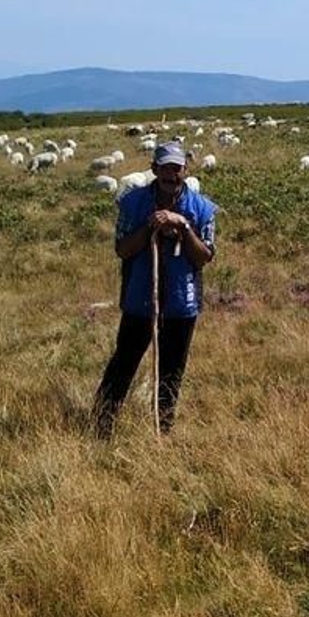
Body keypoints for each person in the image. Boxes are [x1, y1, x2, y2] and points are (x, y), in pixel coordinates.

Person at [91, 142, 216, 437]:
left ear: (185, 171)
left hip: (181, 303)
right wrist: (149, 227)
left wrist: (184, 227)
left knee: (172, 370)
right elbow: (122, 249)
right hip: (140, 300)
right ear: (154, 169)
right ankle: (101, 425)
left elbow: (205, 257)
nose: (171, 174)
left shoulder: (202, 208)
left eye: (176, 168)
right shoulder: (132, 203)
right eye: (165, 168)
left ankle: (164, 429)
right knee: (124, 362)